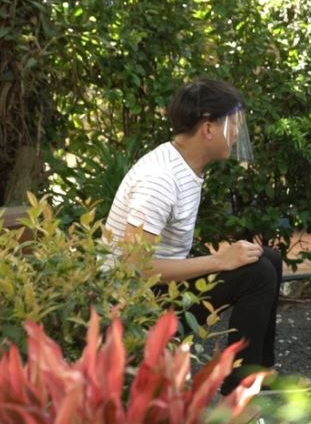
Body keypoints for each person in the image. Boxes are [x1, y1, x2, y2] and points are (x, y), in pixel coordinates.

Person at [104, 78, 285, 395]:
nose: (237, 133)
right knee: (257, 274)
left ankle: (258, 372)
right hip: (133, 304)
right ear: (208, 128)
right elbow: (135, 268)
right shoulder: (159, 180)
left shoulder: (184, 165)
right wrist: (219, 261)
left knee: (267, 258)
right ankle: (238, 392)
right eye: (233, 124)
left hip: (160, 289)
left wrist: (223, 261)